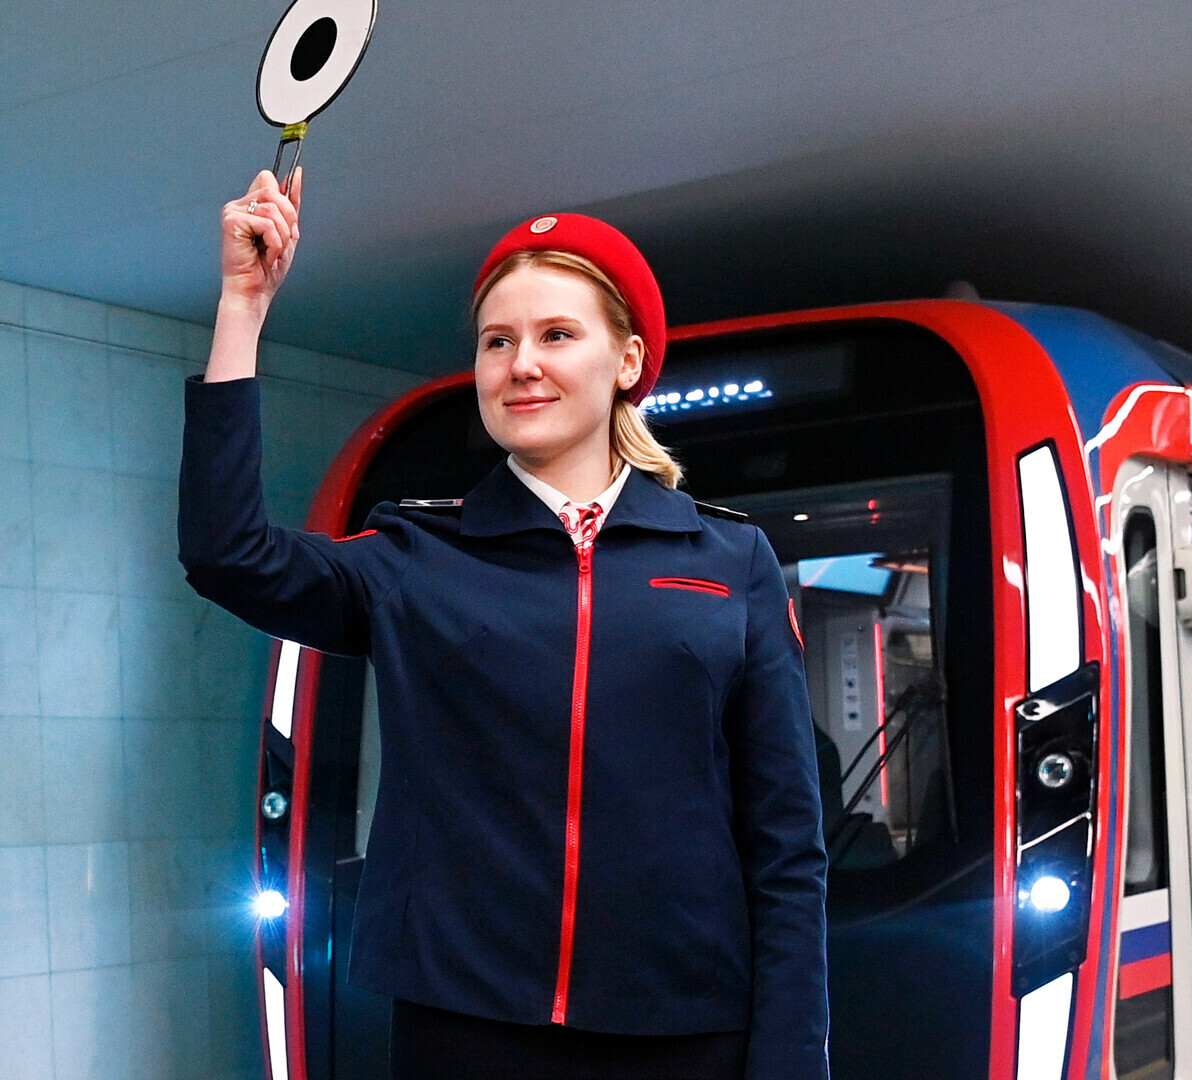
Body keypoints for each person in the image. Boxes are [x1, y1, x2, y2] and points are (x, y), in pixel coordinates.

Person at [179, 170, 829, 1080]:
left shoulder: (730, 561)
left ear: (628, 361)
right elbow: (228, 555)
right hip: (464, 1027)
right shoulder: (417, 557)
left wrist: (793, 1060)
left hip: (684, 1028)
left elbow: (787, 846)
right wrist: (242, 308)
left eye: (557, 334)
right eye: (498, 341)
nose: (522, 364)